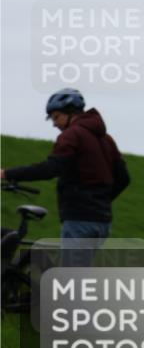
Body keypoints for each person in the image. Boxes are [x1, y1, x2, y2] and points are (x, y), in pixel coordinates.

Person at [0, 88, 130, 255]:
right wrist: (99, 200)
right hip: (102, 221)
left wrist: (6, 174)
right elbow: (124, 178)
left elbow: (51, 168)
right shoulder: (106, 139)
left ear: (70, 113)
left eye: (56, 117)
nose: (54, 124)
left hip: (79, 220)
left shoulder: (72, 134)